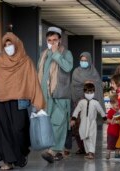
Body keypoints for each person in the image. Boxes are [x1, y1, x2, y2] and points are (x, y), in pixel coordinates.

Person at [0, 32, 45, 170]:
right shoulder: (0, 61)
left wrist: (38, 103)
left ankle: (22, 153)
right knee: (3, 132)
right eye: (5, 45)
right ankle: (7, 161)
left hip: (19, 102)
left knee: (18, 130)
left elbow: (33, 82)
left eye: (10, 44)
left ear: (16, 44)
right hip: (1, 102)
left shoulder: (26, 61)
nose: (8, 47)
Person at [37, 26, 73, 163]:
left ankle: (53, 150)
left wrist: (56, 54)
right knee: (49, 124)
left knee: (59, 123)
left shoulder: (66, 53)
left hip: (60, 95)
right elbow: (39, 74)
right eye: (49, 40)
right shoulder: (43, 54)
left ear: (60, 40)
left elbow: (68, 67)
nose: (52, 43)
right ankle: (55, 151)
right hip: (46, 96)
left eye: (55, 40)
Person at [70, 52, 105, 155]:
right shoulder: (76, 71)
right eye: (82, 60)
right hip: (79, 102)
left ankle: (89, 149)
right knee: (78, 126)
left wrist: (90, 83)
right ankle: (82, 147)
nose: (83, 62)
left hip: (91, 102)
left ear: (89, 61)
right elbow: (75, 84)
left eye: (85, 61)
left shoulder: (93, 72)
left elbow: (98, 84)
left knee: (90, 126)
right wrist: (86, 82)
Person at [70, 83, 107, 159]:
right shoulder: (81, 102)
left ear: (94, 92)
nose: (89, 94)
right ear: (84, 92)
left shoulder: (95, 102)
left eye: (91, 92)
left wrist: (105, 119)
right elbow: (76, 111)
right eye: (87, 92)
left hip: (92, 123)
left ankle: (91, 152)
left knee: (92, 137)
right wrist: (73, 119)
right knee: (84, 137)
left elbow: (101, 111)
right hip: (83, 123)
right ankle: (88, 152)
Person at [105, 94, 120, 160]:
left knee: (118, 144)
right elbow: (107, 119)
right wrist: (111, 121)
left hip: (118, 132)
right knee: (110, 144)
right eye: (116, 105)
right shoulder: (111, 111)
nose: (118, 107)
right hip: (111, 132)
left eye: (119, 105)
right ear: (112, 104)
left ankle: (117, 154)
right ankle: (108, 153)